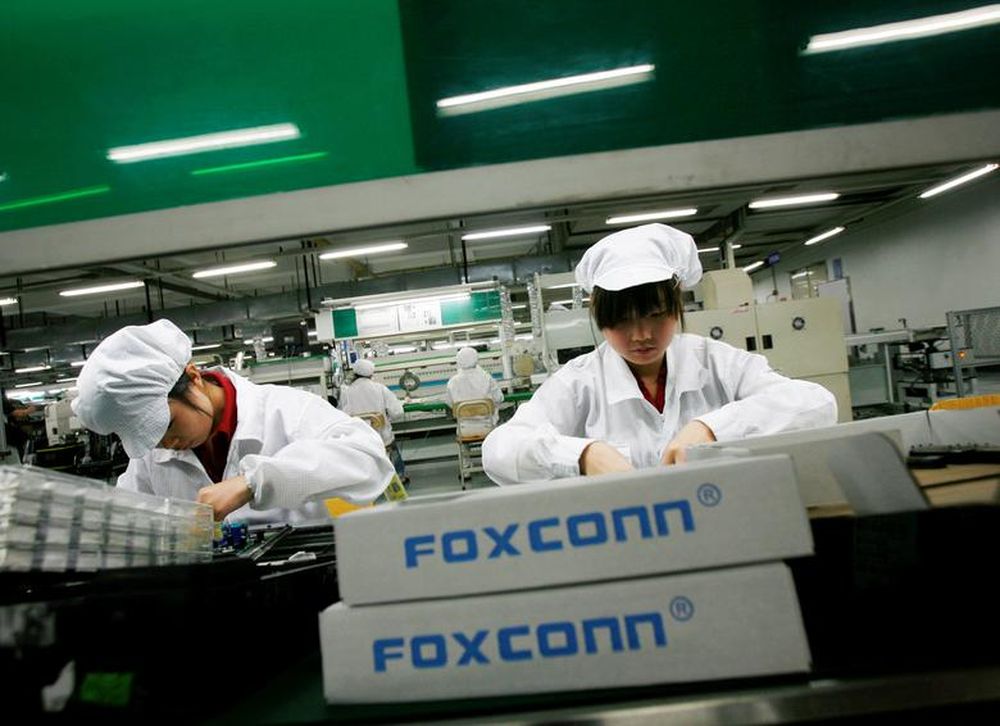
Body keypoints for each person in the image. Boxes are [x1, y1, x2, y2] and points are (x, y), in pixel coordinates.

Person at [482, 223, 837, 485]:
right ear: (598, 317)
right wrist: (583, 455)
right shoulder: (580, 382)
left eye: (655, 315)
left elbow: (816, 405)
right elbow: (500, 449)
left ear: (677, 303)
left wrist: (711, 429)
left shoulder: (715, 362)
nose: (640, 336)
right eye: (621, 321)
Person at [71, 320, 395, 522]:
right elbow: (126, 518)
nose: (164, 444)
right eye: (148, 437)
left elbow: (369, 458)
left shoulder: (285, 411)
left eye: (166, 424)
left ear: (193, 376)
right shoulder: (151, 461)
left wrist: (255, 482)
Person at [338, 358, 408, 484]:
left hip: (359, 439)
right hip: (382, 438)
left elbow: (344, 416)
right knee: (391, 447)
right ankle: (399, 476)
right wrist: (388, 417)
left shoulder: (346, 392)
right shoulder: (379, 388)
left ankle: (371, 481)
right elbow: (397, 412)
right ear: (371, 374)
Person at [444, 347, 505, 431]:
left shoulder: (453, 382)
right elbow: (499, 398)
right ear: (476, 359)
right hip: (488, 427)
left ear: (458, 361)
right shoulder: (487, 378)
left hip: (464, 430)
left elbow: (450, 403)